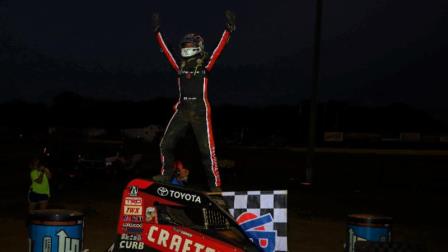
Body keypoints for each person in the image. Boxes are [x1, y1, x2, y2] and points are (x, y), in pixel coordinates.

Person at [151, 10, 236, 192]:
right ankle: (166, 175)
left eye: (190, 45)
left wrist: (228, 30)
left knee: (207, 151)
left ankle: (215, 187)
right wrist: (157, 32)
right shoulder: (179, 66)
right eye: (185, 45)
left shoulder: (204, 66)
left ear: (198, 47)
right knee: (165, 144)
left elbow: (219, 49)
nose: (186, 48)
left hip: (199, 110)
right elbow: (166, 51)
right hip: (182, 109)